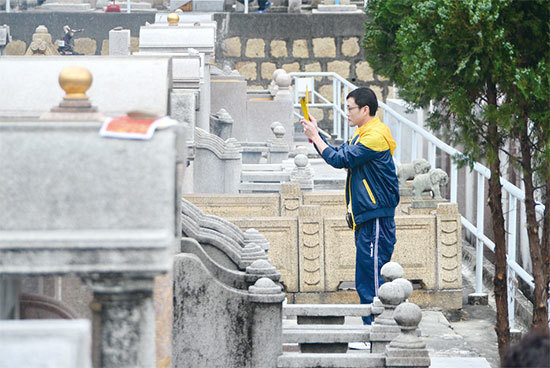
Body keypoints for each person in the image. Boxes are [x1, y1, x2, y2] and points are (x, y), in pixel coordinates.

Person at [301, 87, 399, 326]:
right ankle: (370, 332)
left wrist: (315, 136)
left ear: (365, 109)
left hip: (375, 217)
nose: (347, 113)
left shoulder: (374, 136)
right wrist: (316, 137)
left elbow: (340, 160)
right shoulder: (362, 134)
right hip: (366, 217)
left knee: (374, 277)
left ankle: (379, 330)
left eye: (350, 108)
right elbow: (337, 152)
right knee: (364, 278)